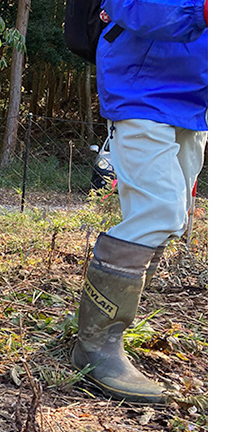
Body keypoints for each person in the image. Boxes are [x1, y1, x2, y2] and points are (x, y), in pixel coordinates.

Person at [71, 0, 207, 404]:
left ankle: (110, 329)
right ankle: (95, 346)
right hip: (142, 88)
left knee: (173, 217)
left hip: (197, 100)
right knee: (157, 211)